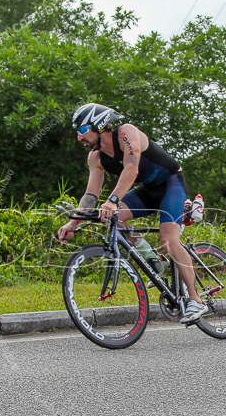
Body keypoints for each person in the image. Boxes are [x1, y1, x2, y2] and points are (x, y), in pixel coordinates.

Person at [57, 103, 209, 323]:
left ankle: (196, 300)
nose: (79, 138)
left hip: (170, 184)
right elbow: (90, 195)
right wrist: (73, 224)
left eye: (82, 131)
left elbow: (131, 169)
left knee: (168, 238)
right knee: (113, 221)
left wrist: (112, 200)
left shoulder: (126, 133)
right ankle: (156, 261)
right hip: (147, 191)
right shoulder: (96, 158)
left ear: (99, 126)